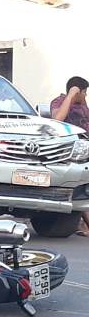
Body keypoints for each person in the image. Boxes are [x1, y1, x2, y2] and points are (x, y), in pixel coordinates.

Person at [50, 76, 89, 236]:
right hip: (72, 151)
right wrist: (71, 96)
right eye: (84, 92)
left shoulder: (83, 105)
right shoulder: (59, 102)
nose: (85, 96)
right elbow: (57, 119)